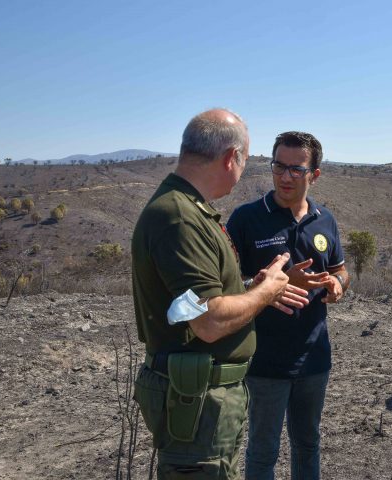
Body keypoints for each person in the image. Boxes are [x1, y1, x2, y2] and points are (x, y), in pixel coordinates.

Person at [131, 109, 308, 479]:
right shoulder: (179, 217)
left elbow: (194, 301)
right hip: (196, 402)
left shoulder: (188, 210)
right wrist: (267, 291)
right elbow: (209, 321)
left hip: (202, 399)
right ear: (231, 158)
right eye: (244, 161)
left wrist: (254, 289)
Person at [226, 131, 348, 480]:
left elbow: (340, 268)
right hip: (264, 360)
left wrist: (337, 284)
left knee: (308, 443)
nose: (285, 176)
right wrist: (263, 286)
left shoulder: (325, 220)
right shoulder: (246, 219)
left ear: (315, 175)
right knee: (262, 451)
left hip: (314, 357)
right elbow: (224, 286)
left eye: (297, 169)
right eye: (279, 166)